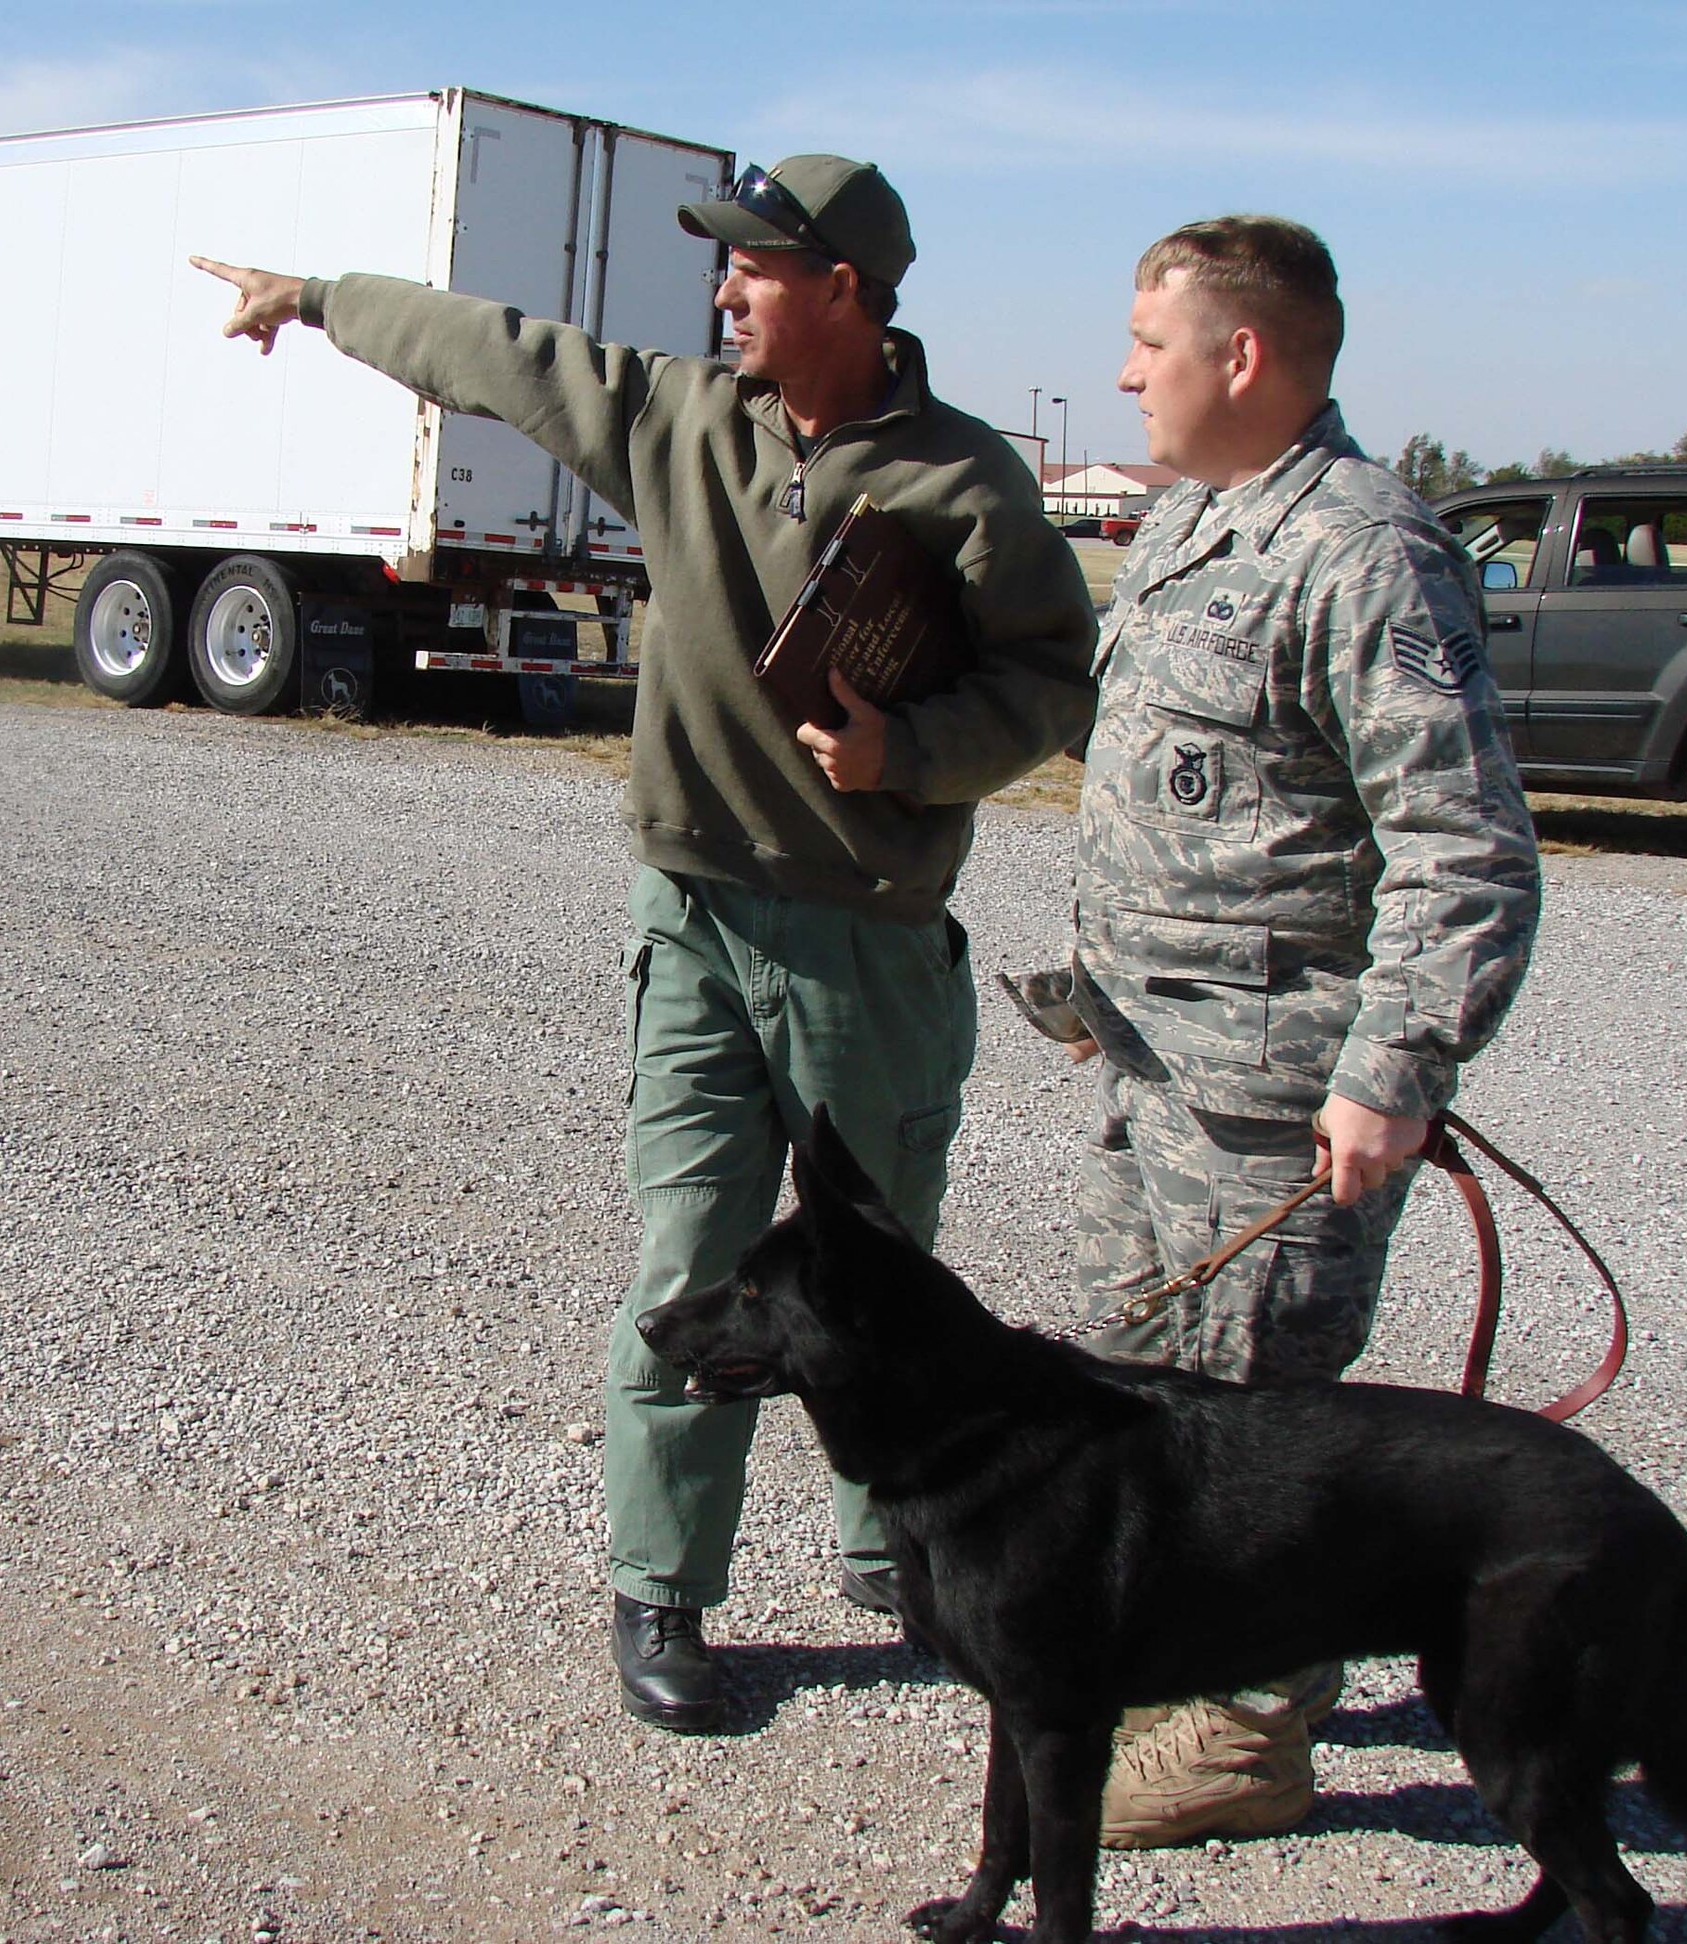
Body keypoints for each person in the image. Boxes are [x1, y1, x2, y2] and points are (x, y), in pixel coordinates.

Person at [195, 156, 1096, 1734]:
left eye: (752, 268)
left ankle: (894, 1545)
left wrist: (917, 753)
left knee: (877, 1276)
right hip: (687, 917)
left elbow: (1051, 686)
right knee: (691, 1261)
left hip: (866, 941)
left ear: (844, 291)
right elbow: (497, 349)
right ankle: (664, 1585)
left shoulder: (968, 486)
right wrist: (323, 298)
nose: (723, 291)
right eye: (724, 269)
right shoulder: (682, 420)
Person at [1062, 216, 1540, 1847]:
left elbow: (1463, 847)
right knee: (1140, 1383)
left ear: (1241, 357)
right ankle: (1168, 1667)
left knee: (1257, 1419)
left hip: (1276, 1093)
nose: (1125, 372)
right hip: (1153, 1060)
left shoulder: (1365, 551)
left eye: (1147, 342)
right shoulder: (1199, 523)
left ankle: (1250, 1736)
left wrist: (1393, 1074)